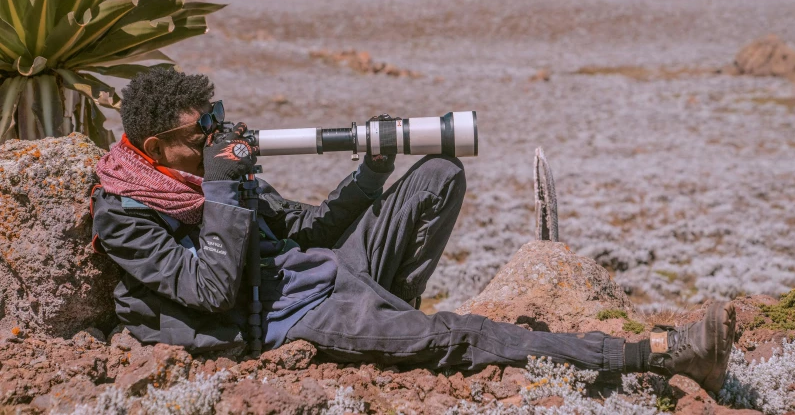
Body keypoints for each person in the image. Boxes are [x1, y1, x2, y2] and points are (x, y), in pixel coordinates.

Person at [91, 68, 736, 393]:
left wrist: (372, 174)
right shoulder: (127, 212)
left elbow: (310, 228)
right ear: (153, 145)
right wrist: (227, 185)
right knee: (454, 336)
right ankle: (652, 355)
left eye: (217, 120)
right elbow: (209, 291)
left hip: (314, 273)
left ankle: (393, 312)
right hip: (281, 320)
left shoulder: (203, 178)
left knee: (437, 173)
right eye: (199, 134)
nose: (215, 137)